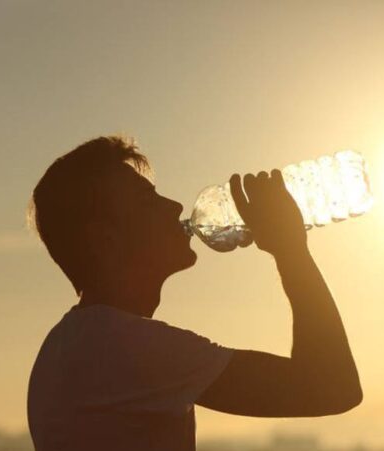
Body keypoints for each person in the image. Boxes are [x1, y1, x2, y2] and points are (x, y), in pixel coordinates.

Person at [26, 136, 362, 451]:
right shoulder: (118, 345)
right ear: (106, 241)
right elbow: (331, 387)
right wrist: (290, 249)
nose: (174, 206)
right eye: (147, 201)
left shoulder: (72, 344)